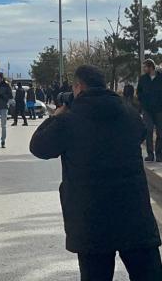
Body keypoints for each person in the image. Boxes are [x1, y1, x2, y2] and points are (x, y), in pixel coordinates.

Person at [30, 64, 162, 281]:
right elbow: (141, 133)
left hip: (91, 220)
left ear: (79, 87)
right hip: (134, 214)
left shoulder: (69, 119)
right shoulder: (127, 112)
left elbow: (39, 147)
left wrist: (56, 116)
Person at [137, 59, 162, 162]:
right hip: (147, 109)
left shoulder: (160, 78)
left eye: (145, 67)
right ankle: (150, 154)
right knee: (149, 130)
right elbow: (139, 92)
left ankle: (159, 154)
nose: (144, 69)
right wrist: (143, 101)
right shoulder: (142, 79)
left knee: (160, 132)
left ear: (151, 67)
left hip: (159, 109)